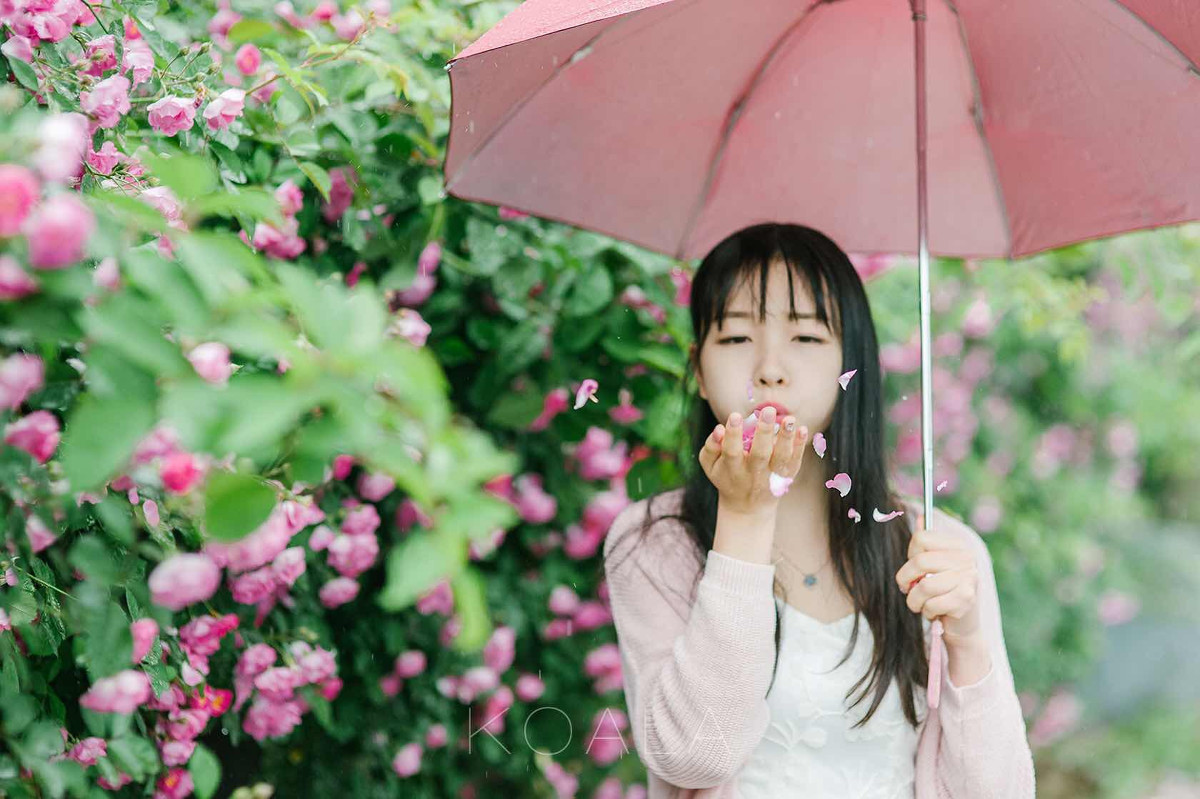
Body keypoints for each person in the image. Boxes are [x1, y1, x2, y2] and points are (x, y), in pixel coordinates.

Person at [602, 223, 1035, 798]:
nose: (770, 368)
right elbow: (693, 758)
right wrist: (745, 517)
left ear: (849, 365)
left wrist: (968, 639)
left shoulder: (938, 552)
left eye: (806, 338)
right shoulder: (653, 543)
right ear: (699, 371)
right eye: (735, 339)